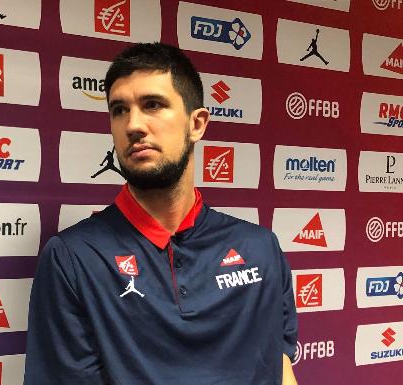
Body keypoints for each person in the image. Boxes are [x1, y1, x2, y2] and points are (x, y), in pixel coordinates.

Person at [24, 42, 298, 385]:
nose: (133, 125)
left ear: (196, 124)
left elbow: (280, 369)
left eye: (152, 105)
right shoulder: (73, 259)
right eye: (119, 110)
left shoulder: (260, 248)